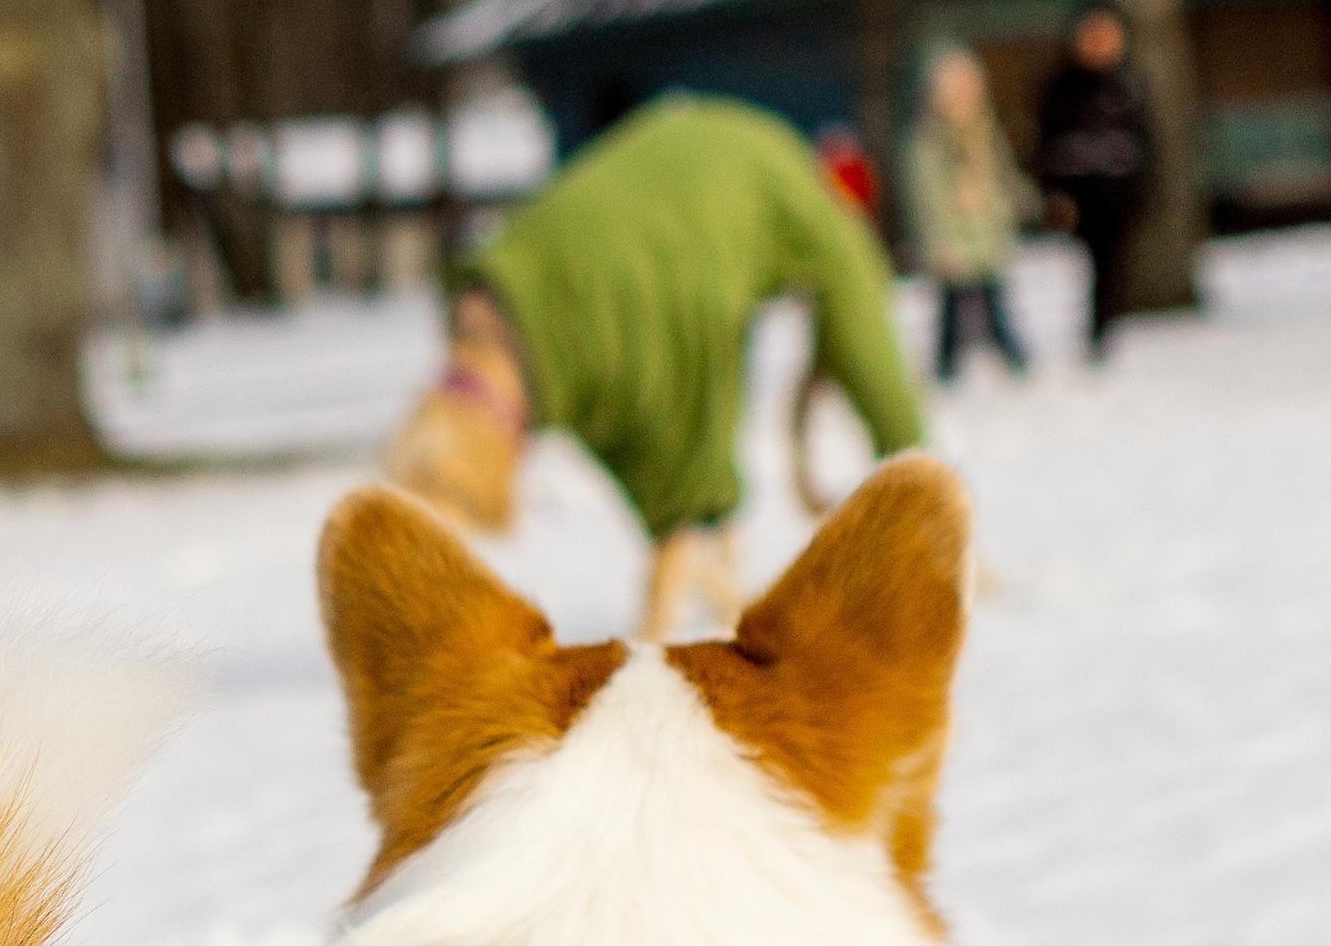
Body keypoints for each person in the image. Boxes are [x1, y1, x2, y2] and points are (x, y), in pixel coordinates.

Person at [386, 92, 928, 639]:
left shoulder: (755, 161)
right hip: (614, 292)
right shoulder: (806, 201)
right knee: (683, 451)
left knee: (661, 439)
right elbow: (868, 346)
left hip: (511, 280)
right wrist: (914, 473)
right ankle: (706, 566)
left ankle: (430, 531)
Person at [903, 43, 1033, 381]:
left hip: (986, 231)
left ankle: (1012, 355)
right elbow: (927, 197)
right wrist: (939, 242)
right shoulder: (928, 141)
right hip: (953, 236)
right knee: (952, 305)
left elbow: (1002, 175)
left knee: (994, 298)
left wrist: (1026, 203)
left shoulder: (984, 132)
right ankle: (947, 365)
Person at [1034, 1, 1154, 356]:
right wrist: (1054, 193)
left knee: (1112, 266)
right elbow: (1046, 146)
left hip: (1119, 194)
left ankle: (1105, 328)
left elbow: (1147, 142)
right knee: (1092, 265)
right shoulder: (1060, 88)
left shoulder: (1128, 84)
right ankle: (1097, 330)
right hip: (1081, 195)